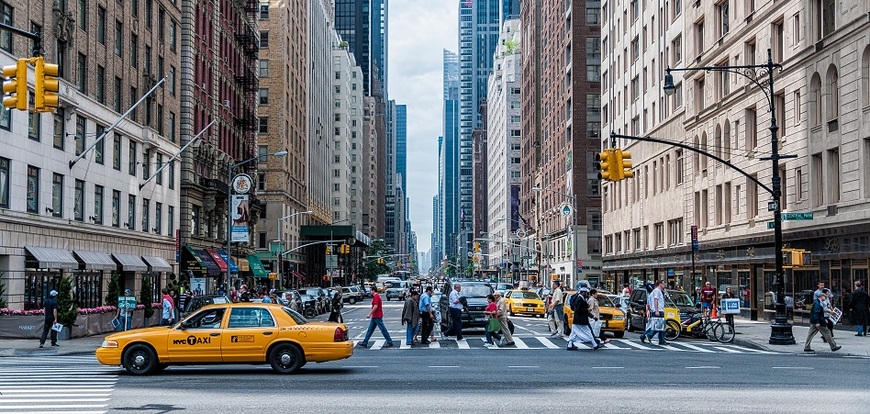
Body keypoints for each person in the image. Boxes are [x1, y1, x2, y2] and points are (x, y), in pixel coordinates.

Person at [640, 280, 668, 345]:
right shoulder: (657, 291)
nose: (664, 285)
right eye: (663, 284)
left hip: (657, 310)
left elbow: (650, 301)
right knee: (659, 326)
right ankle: (649, 335)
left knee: (658, 326)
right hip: (658, 310)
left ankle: (644, 336)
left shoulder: (655, 291)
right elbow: (656, 300)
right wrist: (657, 310)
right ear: (660, 284)